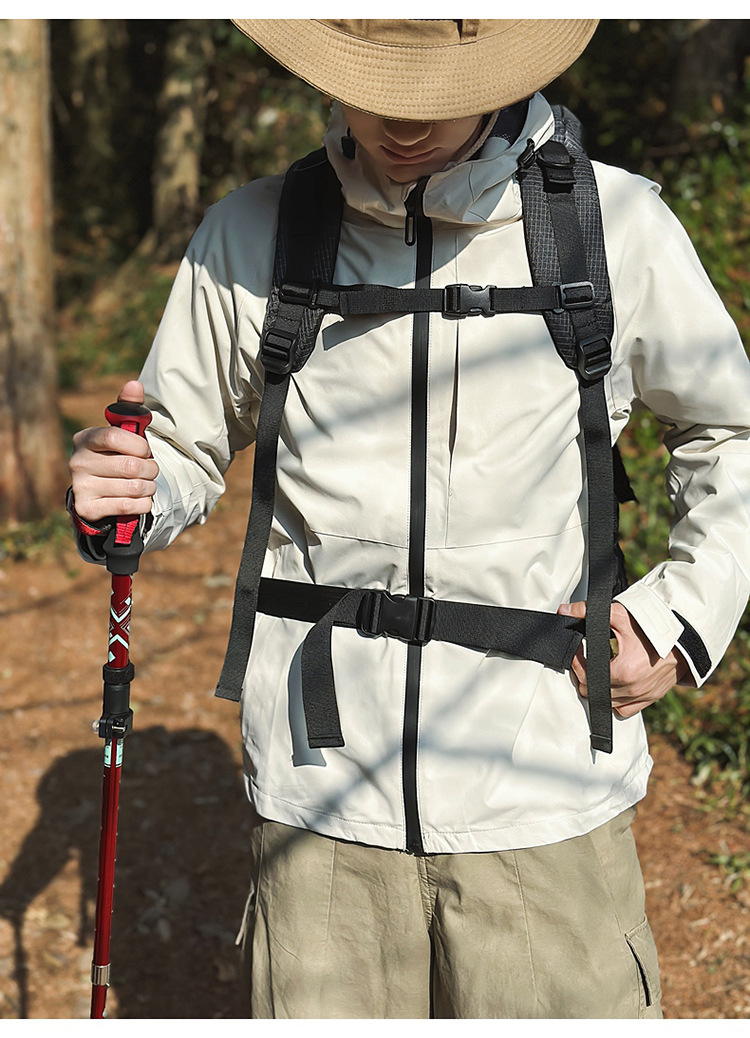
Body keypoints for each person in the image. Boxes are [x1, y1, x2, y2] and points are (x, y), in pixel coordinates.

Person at [67, 19, 750, 1019]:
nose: (400, 122)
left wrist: (676, 618)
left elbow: (731, 432)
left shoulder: (616, 226)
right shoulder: (252, 232)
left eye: (435, 92)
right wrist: (131, 490)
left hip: (542, 787)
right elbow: (179, 444)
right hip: (319, 802)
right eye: (374, 84)